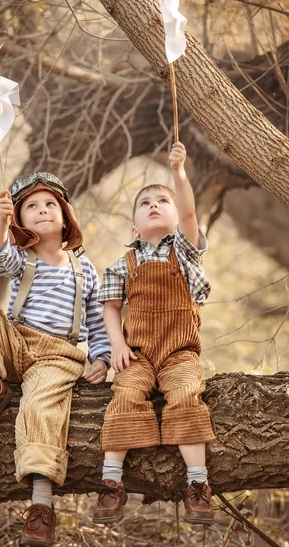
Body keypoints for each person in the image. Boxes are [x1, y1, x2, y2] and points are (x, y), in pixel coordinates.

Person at [0, 172, 111, 547]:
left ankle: (41, 506)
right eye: (31, 207)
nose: (41, 210)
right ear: (21, 220)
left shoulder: (84, 269)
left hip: (57, 354)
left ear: (65, 215)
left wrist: (102, 357)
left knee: (40, 408)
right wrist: (1, 219)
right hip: (17, 341)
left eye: (49, 204)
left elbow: (98, 319)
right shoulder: (20, 259)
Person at [92, 142, 216, 526]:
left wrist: (178, 174)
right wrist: (116, 344)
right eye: (145, 203)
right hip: (139, 352)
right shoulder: (122, 263)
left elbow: (191, 210)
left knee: (185, 395)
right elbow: (111, 307)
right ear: (134, 227)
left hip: (180, 351)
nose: (153, 205)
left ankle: (198, 485)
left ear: (177, 218)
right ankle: (111, 484)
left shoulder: (184, 249)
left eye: (162, 201)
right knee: (125, 394)